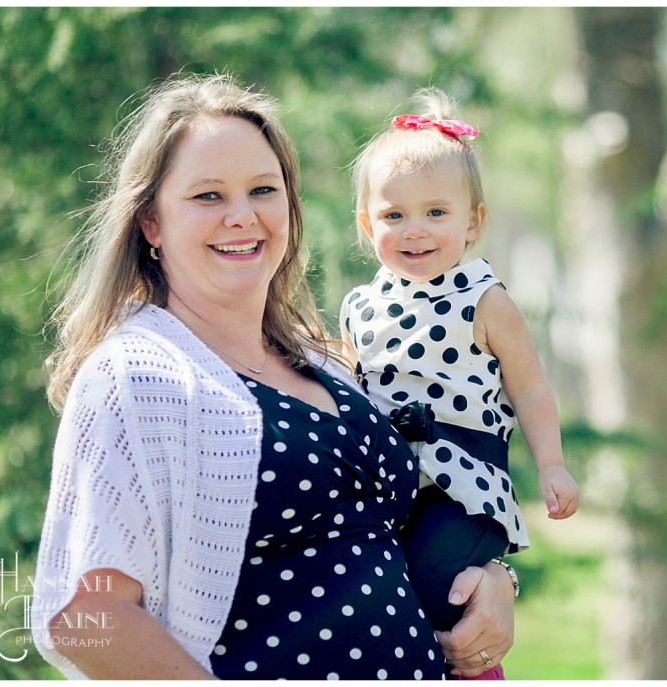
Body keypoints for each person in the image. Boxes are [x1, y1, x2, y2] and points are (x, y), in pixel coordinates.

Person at [31, 73, 516, 680]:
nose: (243, 216)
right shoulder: (138, 378)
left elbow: (403, 527)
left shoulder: (329, 362)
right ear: (151, 223)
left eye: (264, 189)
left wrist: (495, 579)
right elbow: (83, 618)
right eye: (208, 196)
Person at [340, 87, 579, 679]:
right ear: (368, 224)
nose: (414, 230)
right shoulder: (359, 307)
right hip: (389, 482)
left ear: (473, 222)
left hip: (463, 484)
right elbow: (348, 391)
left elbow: (529, 389)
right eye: (394, 215)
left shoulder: (483, 300)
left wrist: (550, 464)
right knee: (380, 588)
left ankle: (476, 667)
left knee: (436, 585)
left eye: (436, 213)